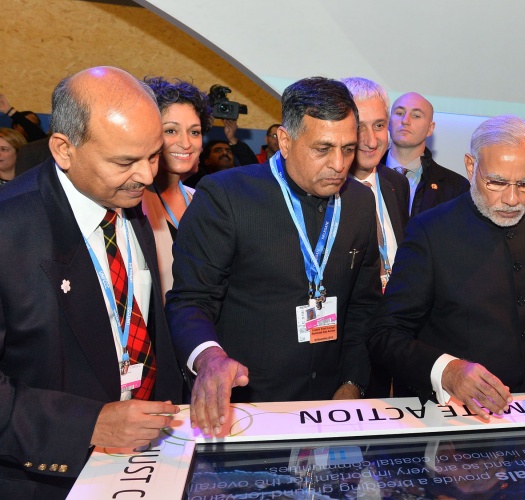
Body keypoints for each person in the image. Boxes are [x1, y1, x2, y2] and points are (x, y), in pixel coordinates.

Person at [0, 66, 184, 498]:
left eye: (154, 155)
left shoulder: (127, 200)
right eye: (126, 161)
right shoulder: (9, 230)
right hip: (46, 479)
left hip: (147, 462)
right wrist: (89, 423)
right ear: (64, 149)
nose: (146, 175)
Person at [166, 77, 382, 437]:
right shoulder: (226, 197)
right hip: (245, 407)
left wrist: (352, 382)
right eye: (323, 148)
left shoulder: (359, 202)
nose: (339, 164)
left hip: (330, 407)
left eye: (348, 149)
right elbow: (190, 300)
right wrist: (209, 357)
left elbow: (363, 306)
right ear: (284, 140)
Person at [368, 115, 525, 419]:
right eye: (497, 182)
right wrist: (447, 371)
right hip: (457, 424)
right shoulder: (431, 231)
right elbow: (386, 333)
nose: (512, 199)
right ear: (471, 166)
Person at [140, 77, 213, 300]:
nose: (186, 143)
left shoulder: (204, 202)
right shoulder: (131, 203)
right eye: (171, 131)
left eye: (194, 132)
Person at [342, 77, 410, 290]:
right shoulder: (324, 191)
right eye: (359, 127)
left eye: (379, 125)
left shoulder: (397, 184)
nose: (371, 141)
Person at [383, 92, 469, 217]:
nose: (405, 121)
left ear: (430, 129)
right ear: (388, 122)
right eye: (399, 113)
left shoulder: (456, 188)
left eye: (416, 116)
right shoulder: (360, 175)